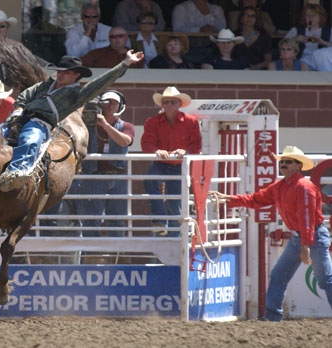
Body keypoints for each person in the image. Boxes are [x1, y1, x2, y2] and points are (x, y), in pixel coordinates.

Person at [210, 145, 332, 322]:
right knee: (279, 276)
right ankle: (272, 317)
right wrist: (230, 199)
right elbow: (257, 199)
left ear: (298, 166)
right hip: (302, 237)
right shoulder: (281, 186)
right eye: (282, 161)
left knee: (325, 280)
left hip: (310, 236)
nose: (283, 164)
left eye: (287, 162)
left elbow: (307, 218)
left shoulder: (304, 187)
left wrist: (305, 245)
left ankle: (272, 316)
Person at [0, 51, 144, 192]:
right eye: (59, 71)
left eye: (65, 72)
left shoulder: (77, 95)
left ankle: (17, 173)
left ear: (76, 75)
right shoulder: (45, 85)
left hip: (40, 122)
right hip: (18, 118)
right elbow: (25, 96)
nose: (60, 74)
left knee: (30, 140)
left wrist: (125, 63)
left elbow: (102, 82)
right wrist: (18, 110)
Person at [141, 86, 202, 236]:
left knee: (175, 204)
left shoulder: (191, 122)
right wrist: (156, 151)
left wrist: (185, 151)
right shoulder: (152, 122)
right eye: (166, 102)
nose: (169, 105)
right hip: (160, 163)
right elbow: (146, 143)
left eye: (173, 102)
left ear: (179, 104)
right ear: (161, 104)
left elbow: (196, 145)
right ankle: (160, 220)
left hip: (180, 166)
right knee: (149, 181)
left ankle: (175, 238)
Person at [78, 90, 134, 237]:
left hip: (118, 177)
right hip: (93, 176)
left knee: (117, 219)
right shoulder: (88, 126)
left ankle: (115, 254)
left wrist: (105, 125)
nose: (109, 106)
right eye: (106, 102)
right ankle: (92, 254)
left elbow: (125, 141)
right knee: (91, 220)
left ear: (120, 106)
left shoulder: (126, 126)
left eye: (114, 103)